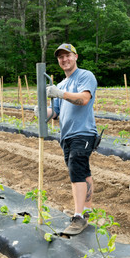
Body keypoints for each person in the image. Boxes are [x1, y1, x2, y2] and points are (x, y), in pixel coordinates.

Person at [46, 43, 98, 235]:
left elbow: (84, 99)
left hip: (83, 132)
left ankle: (79, 216)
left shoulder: (85, 76)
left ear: (75, 56)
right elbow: (57, 113)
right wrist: (44, 112)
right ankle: (87, 209)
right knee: (81, 170)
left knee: (76, 168)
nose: (64, 59)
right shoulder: (61, 84)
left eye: (67, 55)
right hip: (66, 135)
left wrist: (60, 94)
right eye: (60, 57)